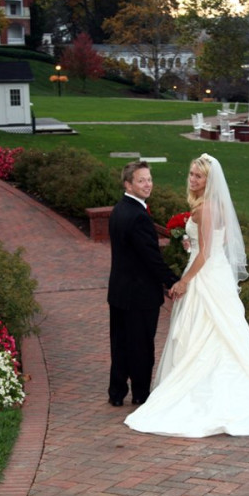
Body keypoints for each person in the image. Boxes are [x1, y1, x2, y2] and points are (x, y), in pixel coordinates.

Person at [124, 154, 249, 437]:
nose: (192, 179)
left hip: (205, 276)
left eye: (198, 176)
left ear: (209, 180)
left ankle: (203, 394)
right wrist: (191, 242)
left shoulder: (203, 209)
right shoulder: (217, 206)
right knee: (222, 331)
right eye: (191, 174)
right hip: (217, 274)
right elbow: (222, 242)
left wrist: (184, 281)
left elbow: (205, 253)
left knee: (201, 331)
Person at [108, 161, 180, 407]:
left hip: (118, 291)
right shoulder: (138, 216)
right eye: (141, 180)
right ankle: (140, 394)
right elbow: (151, 258)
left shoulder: (119, 209)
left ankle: (116, 392)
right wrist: (173, 281)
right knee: (141, 347)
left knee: (120, 344)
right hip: (139, 294)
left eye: (149, 179)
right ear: (128, 184)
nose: (147, 184)